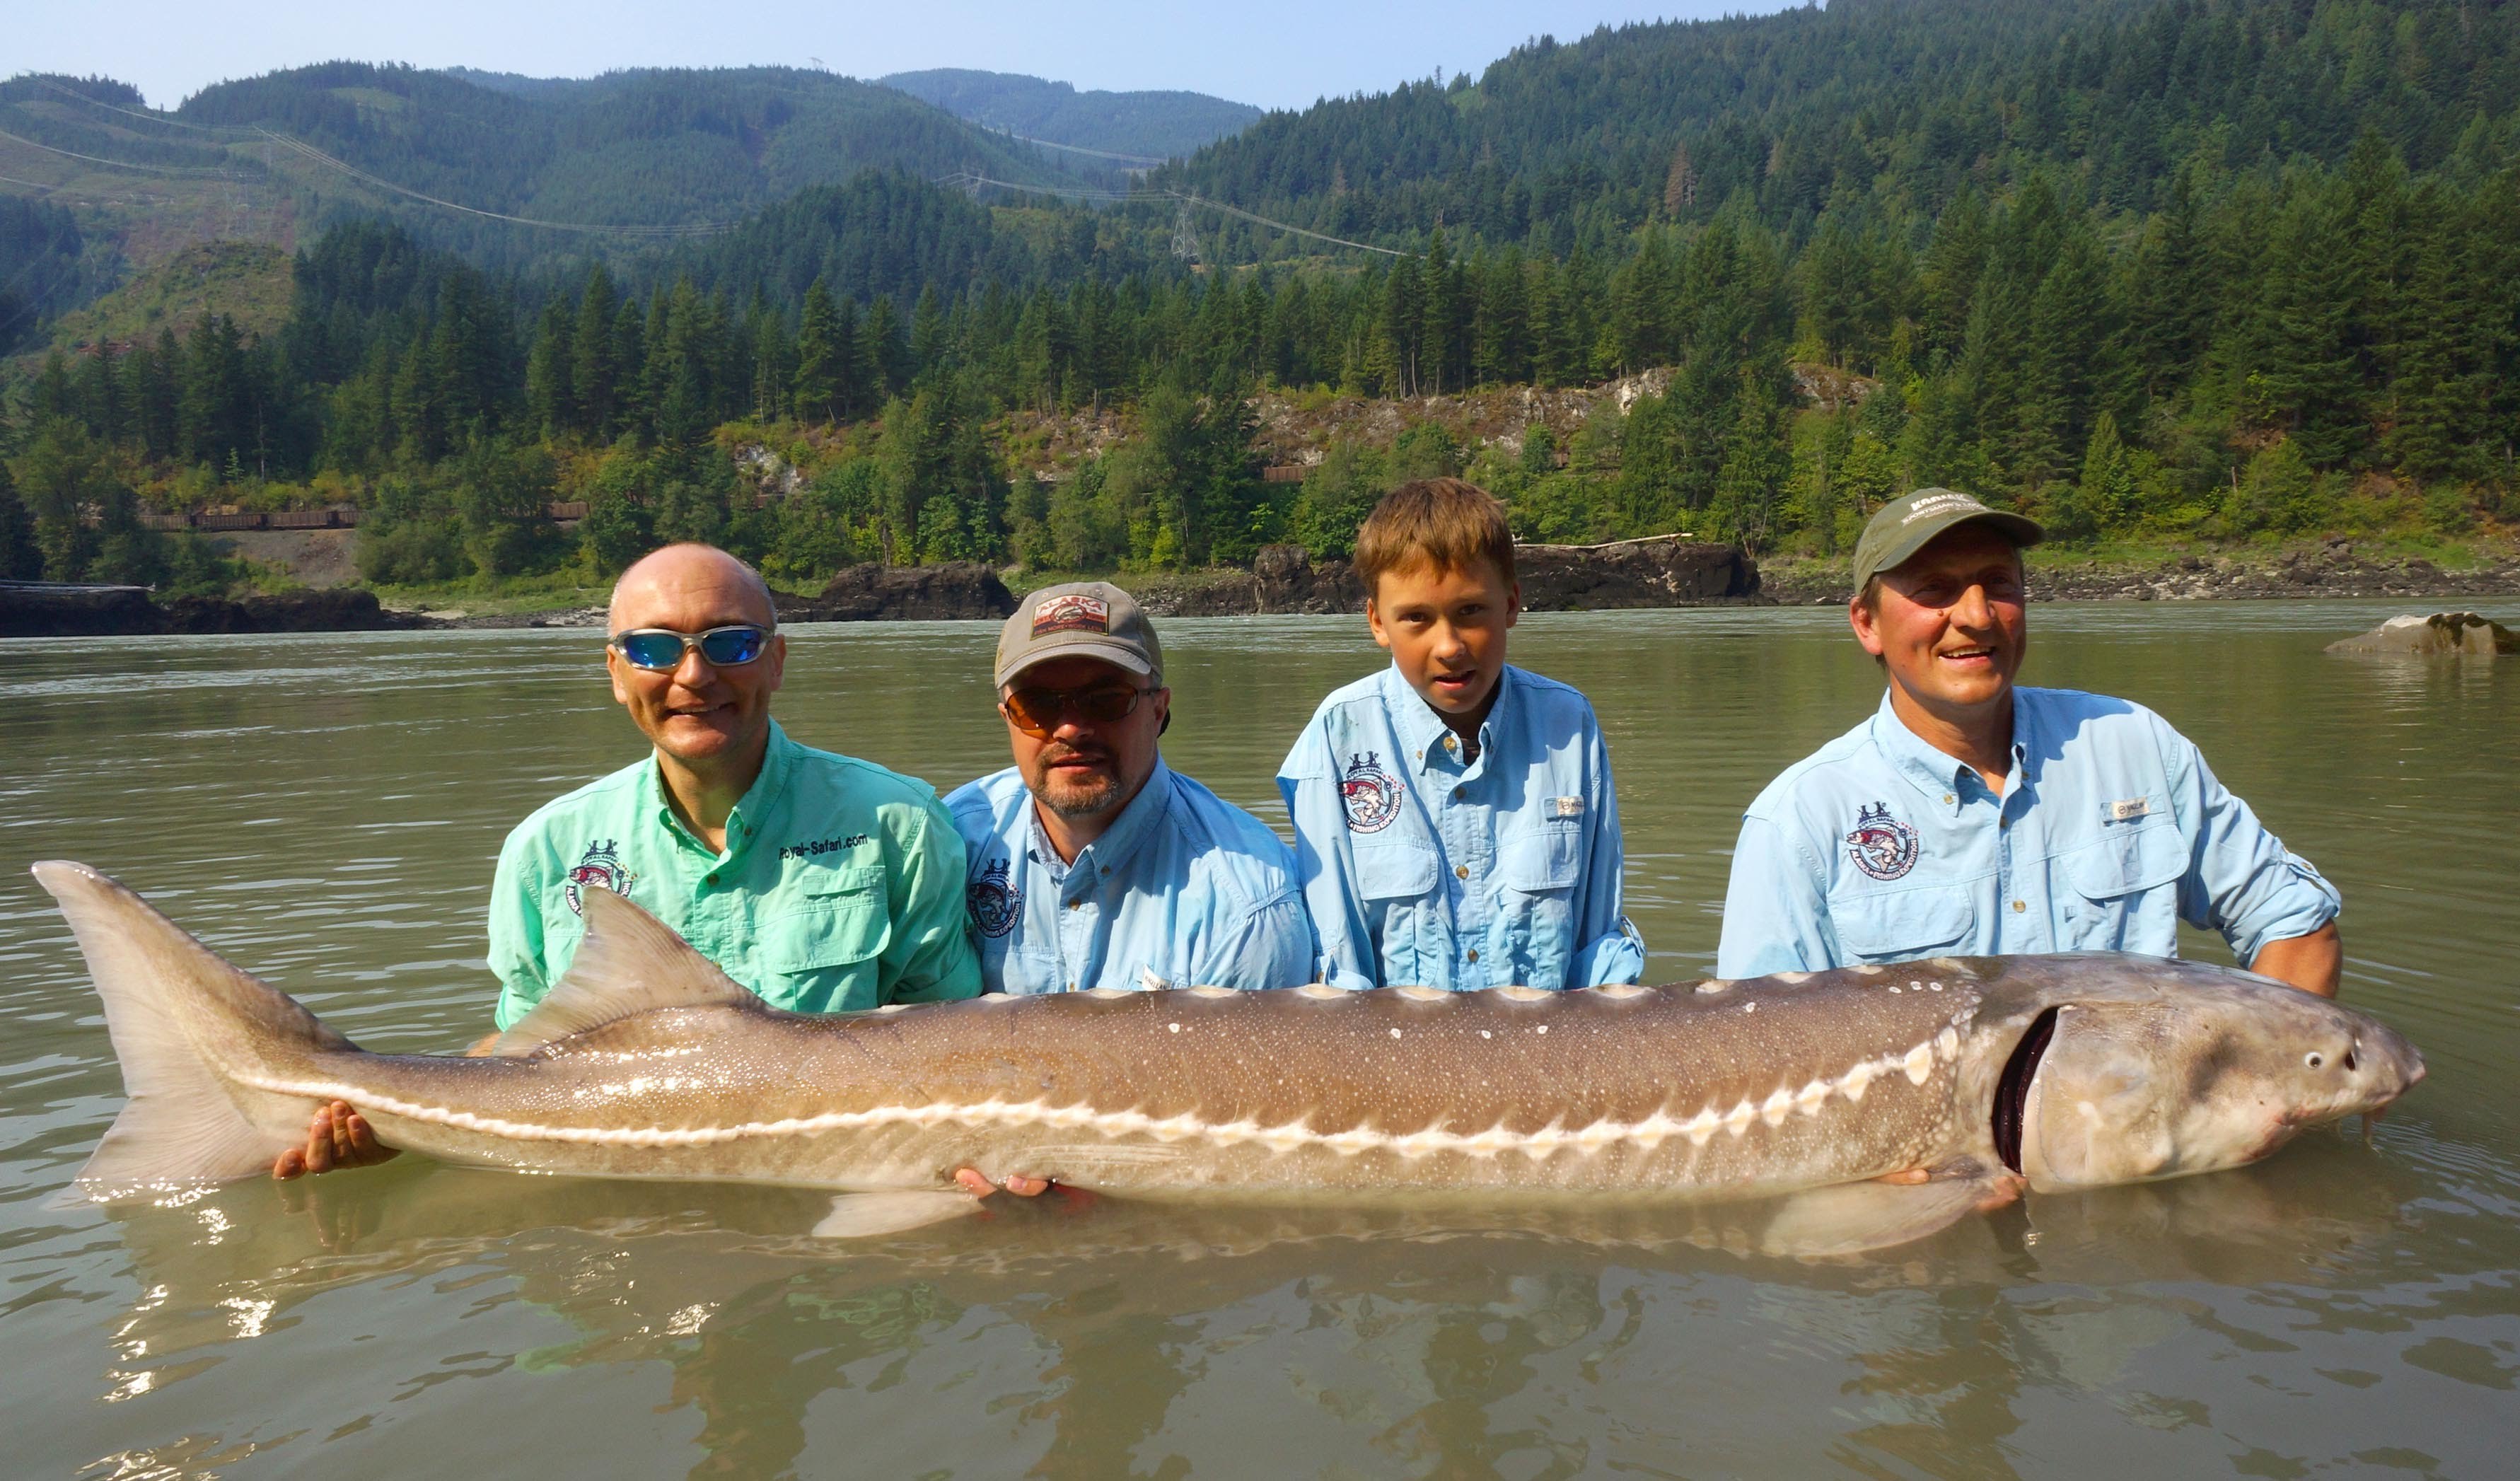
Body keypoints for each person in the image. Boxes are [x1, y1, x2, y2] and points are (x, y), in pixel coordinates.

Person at [275, 542, 984, 1178]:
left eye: (731, 644)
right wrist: (389, 1121)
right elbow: (525, 1052)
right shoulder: (548, 850)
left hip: (829, 1178)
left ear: (776, 660)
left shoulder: (895, 824)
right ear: (616, 672)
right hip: (608, 1186)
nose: (694, 676)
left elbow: (953, 1046)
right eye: (654, 649)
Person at [1715, 487, 2342, 994]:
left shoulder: (2134, 747)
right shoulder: (1799, 819)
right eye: (1934, 589)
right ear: (1866, 624)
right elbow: (1755, 1058)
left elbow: (2295, 927)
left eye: (1998, 583)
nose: (1976, 615)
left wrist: (2248, 1094)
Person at [1278, 478, 1644, 992]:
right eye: (1416, 619)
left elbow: (1597, 939)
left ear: (1512, 604)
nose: (1448, 646)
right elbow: (1339, 962)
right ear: (1377, 622)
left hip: (1546, 1055)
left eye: (1470, 611)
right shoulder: (1339, 735)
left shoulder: (1568, 723)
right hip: (1397, 1060)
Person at [947, 581, 1312, 997]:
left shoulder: (1247, 905)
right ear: (1007, 718)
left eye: (1105, 699)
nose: (1070, 728)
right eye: (1037, 705)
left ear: (1159, 712)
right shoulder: (948, 849)